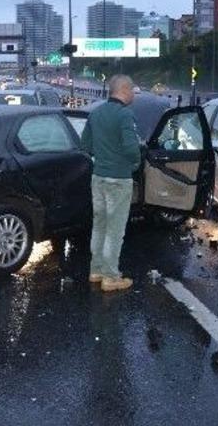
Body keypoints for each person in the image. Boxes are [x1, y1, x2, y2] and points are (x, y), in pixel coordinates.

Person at [80, 74, 141, 292]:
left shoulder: (95, 113)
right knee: (114, 230)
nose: (134, 93)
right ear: (123, 90)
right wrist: (134, 164)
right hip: (118, 180)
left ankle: (95, 271)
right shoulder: (125, 115)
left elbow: (84, 144)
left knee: (100, 226)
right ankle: (111, 276)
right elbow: (132, 149)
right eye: (132, 89)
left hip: (98, 177)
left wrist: (104, 156)